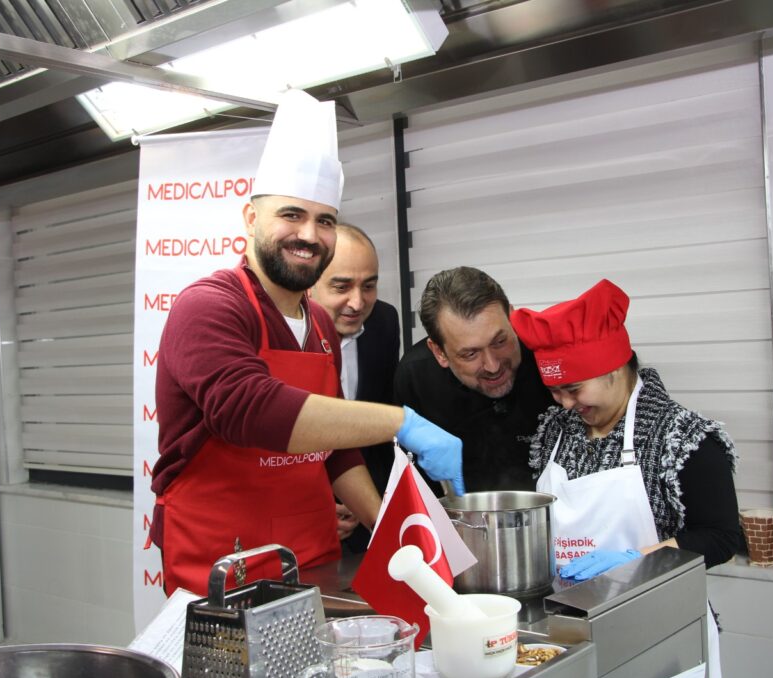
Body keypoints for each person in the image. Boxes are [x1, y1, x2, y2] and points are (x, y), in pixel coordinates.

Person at [148, 89, 463, 597]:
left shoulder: (319, 323)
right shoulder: (208, 306)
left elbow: (333, 449)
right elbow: (251, 410)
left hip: (311, 555)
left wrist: (397, 533)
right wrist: (401, 422)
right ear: (251, 219)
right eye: (291, 214)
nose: (310, 234)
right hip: (225, 563)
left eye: (325, 220)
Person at [510, 278, 742, 678]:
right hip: (569, 630)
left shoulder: (683, 437)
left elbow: (722, 538)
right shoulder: (553, 431)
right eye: (554, 391)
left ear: (614, 367)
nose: (564, 403)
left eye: (573, 389)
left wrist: (639, 560)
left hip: (660, 630)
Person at [394, 267, 553, 493]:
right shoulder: (416, 379)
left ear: (512, 317)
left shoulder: (550, 352)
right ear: (439, 352)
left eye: (500, 342)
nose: (493, 366)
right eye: (470, 354)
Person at [309, 223, 401, 551]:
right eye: (341, 286)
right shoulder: (279, 334)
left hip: (366, 515)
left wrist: (372, 508)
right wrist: (314, 506)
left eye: (369, 286)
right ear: (309, 285)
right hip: (299, 515)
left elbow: (375, 428)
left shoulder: (384, 322)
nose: (358, 302)